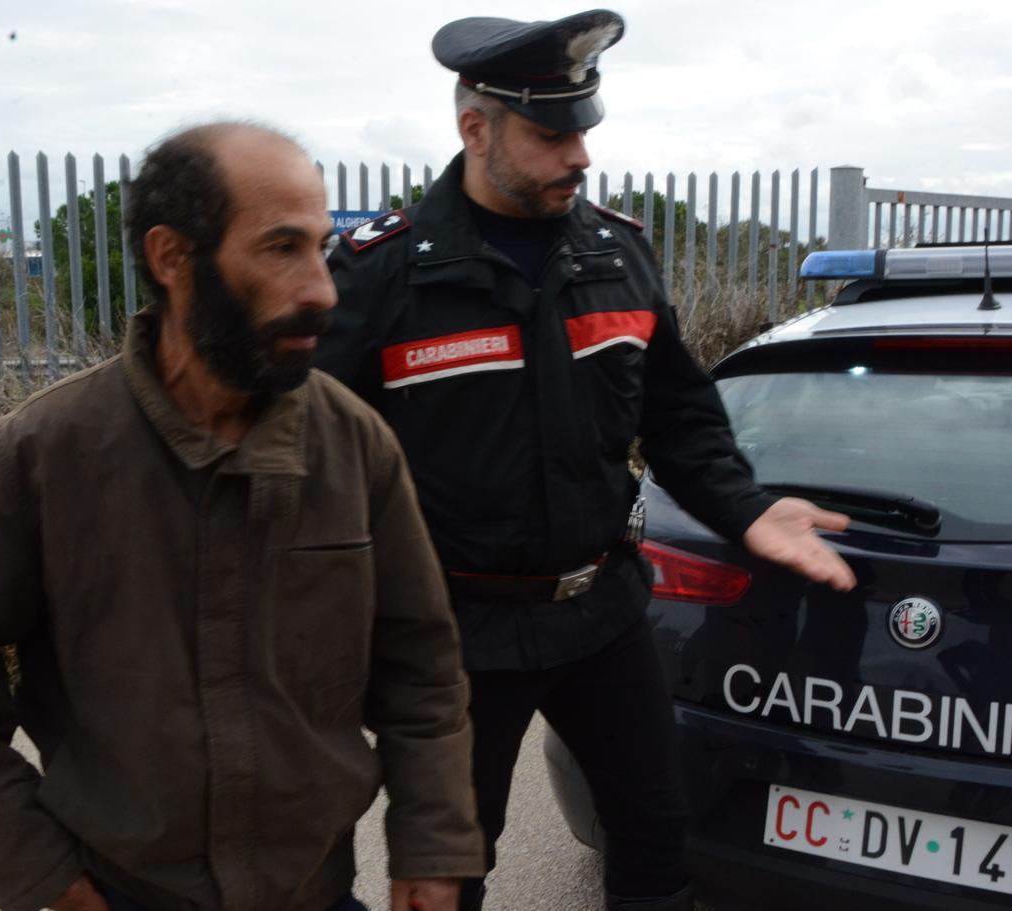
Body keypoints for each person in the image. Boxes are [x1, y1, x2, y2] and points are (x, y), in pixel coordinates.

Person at [316, 12, 857, 911]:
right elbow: (312, 455)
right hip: (457, 634)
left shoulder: (617, 253)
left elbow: (679, 415)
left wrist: (748, 508)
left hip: (601, 614)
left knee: (654, 840)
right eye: (552, 133)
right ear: (476, 128)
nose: (579, 155)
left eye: (584, 130)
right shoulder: (384, 274)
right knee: (450, 870)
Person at [0, 122, 484, 911]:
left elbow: (423, 666)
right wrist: (41, 878)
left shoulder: (354, 443)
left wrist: (433, 850)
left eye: (319, 246)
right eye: (280, 248)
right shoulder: (43, 452)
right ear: (172, 257)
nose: (323, 288)